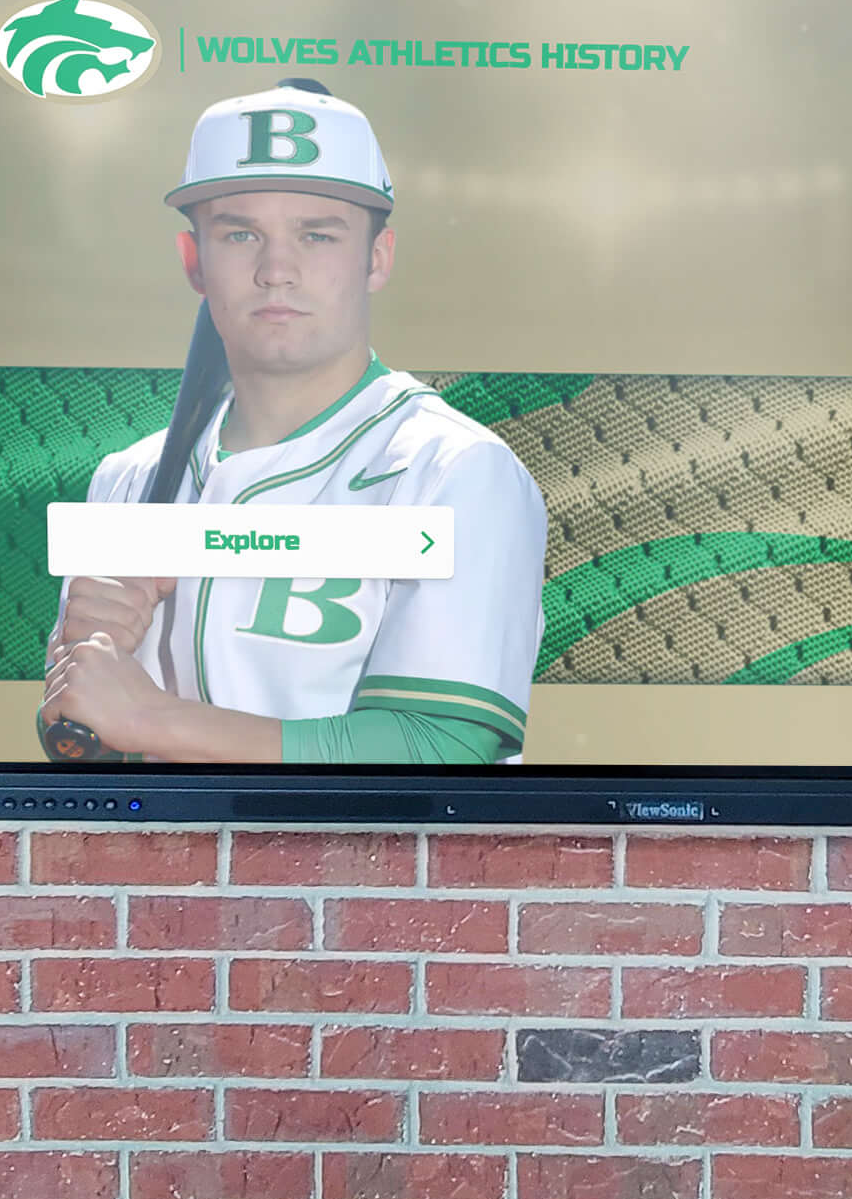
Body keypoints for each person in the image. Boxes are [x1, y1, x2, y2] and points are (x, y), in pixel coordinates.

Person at [39, 80, 549, 764]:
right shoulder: (126, 479)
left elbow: (445, 745)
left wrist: (153, 720)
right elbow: (81, 746)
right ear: (194, 261)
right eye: (240, 233)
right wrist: (79, 665)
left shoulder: (451, 469)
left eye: (317, 234)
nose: (276, 270)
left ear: (376, 258)